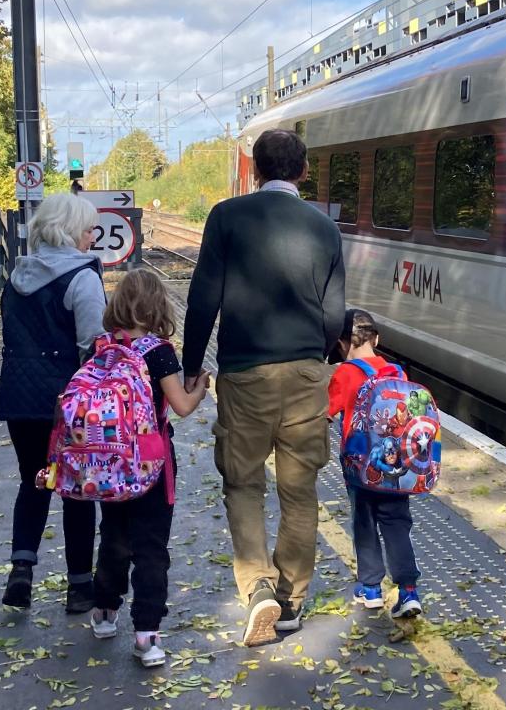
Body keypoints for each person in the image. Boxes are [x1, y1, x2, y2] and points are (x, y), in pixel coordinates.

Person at [181, 128, 346, 646]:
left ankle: (258, 590)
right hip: (304, 374)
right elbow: (335, 315)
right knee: (299, 491)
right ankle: (293, 601)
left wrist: (190, 366)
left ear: (255, 170)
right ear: (301, 172)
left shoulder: (227, 217)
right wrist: (316, 362)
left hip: (244, 374)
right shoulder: (324, 228)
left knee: (244, 483)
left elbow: (203, 299)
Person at [87, 270, 208, 667]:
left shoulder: (99, 346)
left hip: (107, 462)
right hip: (151, 465)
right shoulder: (158, 351)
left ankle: (104, 612)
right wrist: (201, 386)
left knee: (114, 537)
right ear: (158, 306)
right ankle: (146, 635)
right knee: (151, 547)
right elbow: (183, 407)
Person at [0, 192, 107, 613]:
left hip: (21, 400)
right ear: (71, 231)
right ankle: (79, 586)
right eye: (88, 228)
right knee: (77, 490)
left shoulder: (17, 274)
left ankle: (21, 571)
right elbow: (93, 345)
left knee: (36, 479)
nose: (92, 235)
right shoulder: (82, 278)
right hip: (67, 404)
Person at [327, 310, 422, 619]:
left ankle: (371, 590)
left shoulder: (344, 373)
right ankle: (408, 591)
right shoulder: (397, 372)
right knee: (397, 523)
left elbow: (327, 412)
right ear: (377, 339)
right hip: (396, 468)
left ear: (341, 344)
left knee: (364, 523)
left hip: (360, 469)